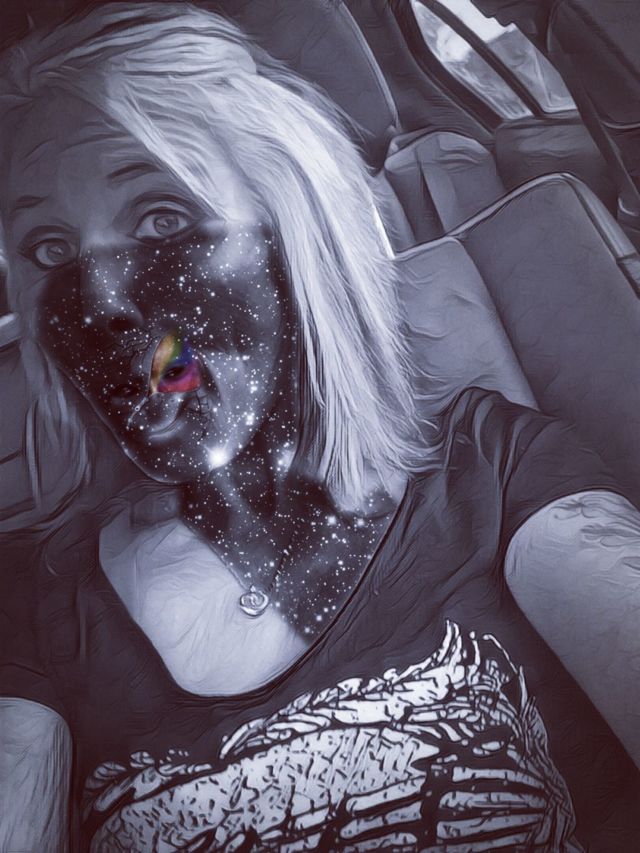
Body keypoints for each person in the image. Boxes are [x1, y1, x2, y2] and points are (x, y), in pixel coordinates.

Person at [0, 3, 638, 851]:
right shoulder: (37, 600)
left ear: (295, 227)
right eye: (48, 249)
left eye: (162, 216)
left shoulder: (497, 471)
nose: (101, 304)